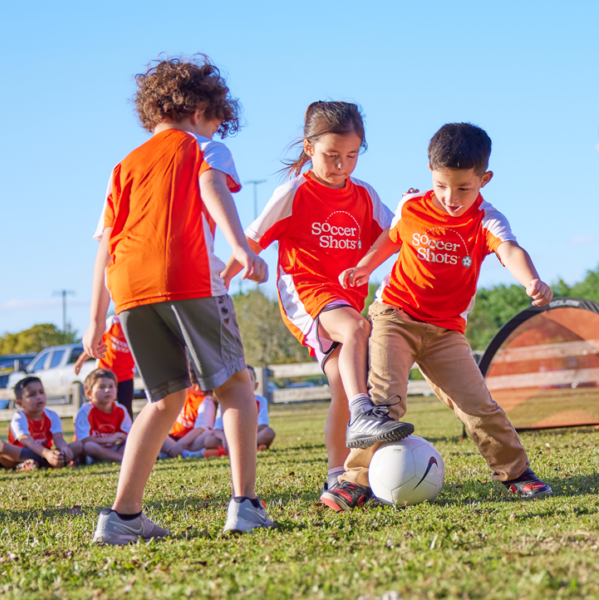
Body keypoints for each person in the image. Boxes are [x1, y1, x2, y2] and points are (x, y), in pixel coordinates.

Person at [83, 54, 273, 544]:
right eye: (217, 118)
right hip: (185, 275)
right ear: (201, 107)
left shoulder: (123, 165)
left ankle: (123, 517)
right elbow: (211, 184)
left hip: (128, 288)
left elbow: (106, 243)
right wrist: (238, 245)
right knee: (235, 384)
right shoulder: (203, 146)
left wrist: (94, 321)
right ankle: (246, 505)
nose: (217, 127)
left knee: (163, 398)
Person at [321, 122, 554, 511]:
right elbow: (392, 238)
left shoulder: (486, 219)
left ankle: (516, 474)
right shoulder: (411, 205)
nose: (451, 197)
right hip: (394, 317)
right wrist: (364, 266)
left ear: (484, 179)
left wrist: (531, 279)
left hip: (446, 332)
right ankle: (354, 481)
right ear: (430, 171)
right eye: (443, 185)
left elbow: (510, 250)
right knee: (383, 404)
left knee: (478, 405)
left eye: (464, 188)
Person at [222, 101, 413, 502]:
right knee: (358, 329)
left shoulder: (364, 195)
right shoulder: (294, 192)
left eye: (351, 155)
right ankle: (364, 414)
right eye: (331, 156)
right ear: (309, 148)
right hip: (306, 294)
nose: (341, 165)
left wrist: (412, 211)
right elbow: (251, 242)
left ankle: (336, 475)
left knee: (343, 385)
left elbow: (393, 236)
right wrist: (220, 282)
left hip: (346, 297)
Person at [8, 376, 82, 468]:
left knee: (78, 445)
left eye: (41, 392)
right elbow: (27, 441)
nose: (39, 397)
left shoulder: (52, 415)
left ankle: (49, 462)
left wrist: (64, 448)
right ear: (20, 403)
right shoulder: (18, 418)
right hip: (23, 454)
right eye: (32, 395)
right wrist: (45, 453)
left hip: (47, 454)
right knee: (1, 447)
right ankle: (27, 464)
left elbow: (58, 437)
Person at [73, 315, 136, 418]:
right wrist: (80, 361)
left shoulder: (138, 325)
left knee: (126, 409)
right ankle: (98, 428)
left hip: (126, 375)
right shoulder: (113, 322)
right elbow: (95, 344)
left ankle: (125, 432)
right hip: (105, 374)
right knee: (100, 404)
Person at [75, 368, 132, 464]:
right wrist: (109, 439)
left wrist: (124, 438)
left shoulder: (121, 409)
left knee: (130, 444)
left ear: (116, 390)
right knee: (89, 446)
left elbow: (131, 435)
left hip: (113, 448)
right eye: (101, 387)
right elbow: (83, 440)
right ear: (89, 393)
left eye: (111, 386)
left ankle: (113, 457)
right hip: (93, 451)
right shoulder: (86, 410)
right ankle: (122, 459)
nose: (107, 390)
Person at [159, 387, 216, 458]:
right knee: (157, 433)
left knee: (208, 437)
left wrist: (181, 444)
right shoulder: (184, 397)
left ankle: (173, 452)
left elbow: (201, 428)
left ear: (196, 387)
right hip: (174, 438)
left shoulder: (206, 402)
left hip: (190, 441)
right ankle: (182, 453)